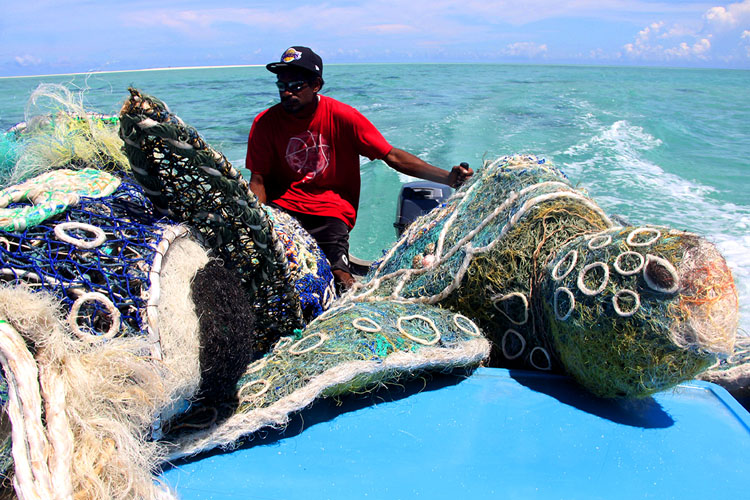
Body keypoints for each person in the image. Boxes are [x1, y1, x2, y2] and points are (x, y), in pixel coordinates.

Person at [246, 46, 473, 291]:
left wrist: (448, 179)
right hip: (284, 210)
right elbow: (258, 181)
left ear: (316, 85)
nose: (287, 92)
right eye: (282, 86)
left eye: (296, 85)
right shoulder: (264, 123)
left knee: (340, 276)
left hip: (329, 211)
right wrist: (260, 221)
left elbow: (392, 156)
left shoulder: (343, 117)